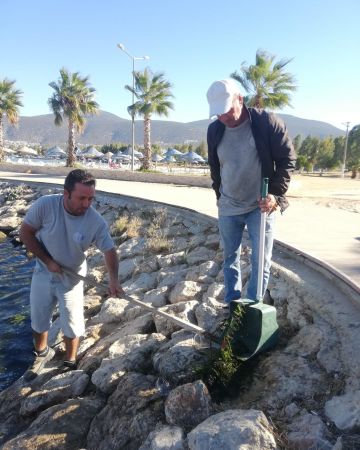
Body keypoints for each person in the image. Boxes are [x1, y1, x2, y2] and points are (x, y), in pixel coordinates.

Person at [20, 169, 123, 380]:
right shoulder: (46, 205)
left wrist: (114, 280)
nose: (86, 204)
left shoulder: (95, 221)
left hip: (72, 276)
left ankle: (70, 360)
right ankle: (42, 354)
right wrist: (48, 261)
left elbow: (109, 250)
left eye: (91, 198)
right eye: (82, 198)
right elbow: (25, 232)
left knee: (72, 322)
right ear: (66, 194)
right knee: (39, 318)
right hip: (43, 269)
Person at [206, 79, 296, 313]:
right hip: (228, 205)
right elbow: (215, 166)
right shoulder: (214, 129)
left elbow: (288, 160)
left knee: (261, 262)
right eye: (218, 114)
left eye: (227, 111)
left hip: (260, 206)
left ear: (240, 99)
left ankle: (254, 311)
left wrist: (276, 195)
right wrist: (219, 194)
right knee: (230, 259)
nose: (223, 117)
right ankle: (233, 308)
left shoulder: (267, 122)